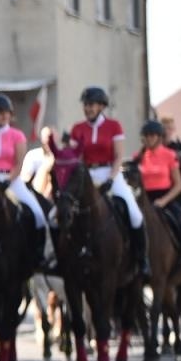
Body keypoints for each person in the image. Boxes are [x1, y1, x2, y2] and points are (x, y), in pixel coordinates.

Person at [68, 86, 149, 278]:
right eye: (86, 105)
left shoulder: (114, 126)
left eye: (92, 105)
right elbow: (73, 157)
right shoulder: (77, 128)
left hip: (109, 171)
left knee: (135, 214)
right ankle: (61, 258)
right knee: (58, 213)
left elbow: (119, 156)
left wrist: (111, 179)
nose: (88, 108)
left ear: (101, 106)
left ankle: (141, 259)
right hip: (85, 175)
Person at [0, 94, 49, 266]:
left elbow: (19, 162)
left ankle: (38, 255)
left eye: (7, 112)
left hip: (12, 180)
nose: (5, 116)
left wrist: (8, 179)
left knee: (38, 214)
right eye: (0, 113)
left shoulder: (17, 135)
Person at [137, 119, 181, 284]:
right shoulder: (140, 156)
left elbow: (178, 186)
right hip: (144, 199)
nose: (148, 139)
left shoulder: (169, 155)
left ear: (159, 137)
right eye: (145, 136)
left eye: (152, 135)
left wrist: (163, 201)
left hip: (166, 198)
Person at [19, 124, 56, 200]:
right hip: (35, 195)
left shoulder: (60, 158)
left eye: (52, 138)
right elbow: (25, 178)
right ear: (42, 139)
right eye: (47, 138)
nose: (49, 141)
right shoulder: (33, 155)